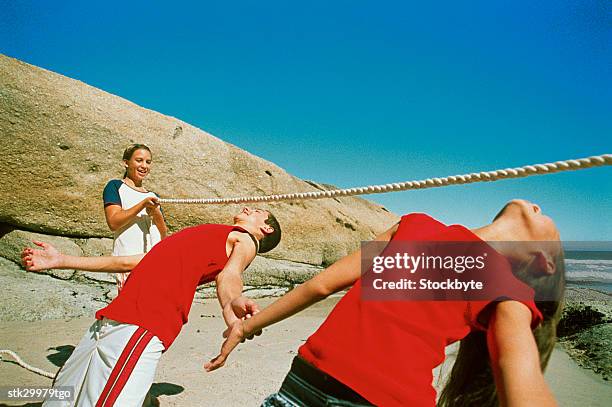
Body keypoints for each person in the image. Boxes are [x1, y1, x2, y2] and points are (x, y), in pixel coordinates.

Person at [205, 199, 565, 407]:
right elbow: (321, 284)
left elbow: (519, 375)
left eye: (548, 218)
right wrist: (246, 326)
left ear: (544, 261)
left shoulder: (509, 290)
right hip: (303, 385)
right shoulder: (415, 225)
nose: (537, 205)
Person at [21, 207, 281, 407]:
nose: (248, 208)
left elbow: (230, 275)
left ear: (266, 229)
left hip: (142, 323)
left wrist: (231, 303)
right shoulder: (210, 234)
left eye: (257, 211)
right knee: (61, 397)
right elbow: (127, 262)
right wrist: (62, 260)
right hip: (111, 319)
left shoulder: (246, 241)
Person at [103, 144, 168, 292]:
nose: (144, 166)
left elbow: (163, 234)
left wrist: (156, 213)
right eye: (139, 160)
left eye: (148, 162)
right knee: (128, 313)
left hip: (152, 263)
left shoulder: (153, 196)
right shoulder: (115, 186)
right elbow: (113, 222)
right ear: (126, 163)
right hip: (127, 262)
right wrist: (141, 205)